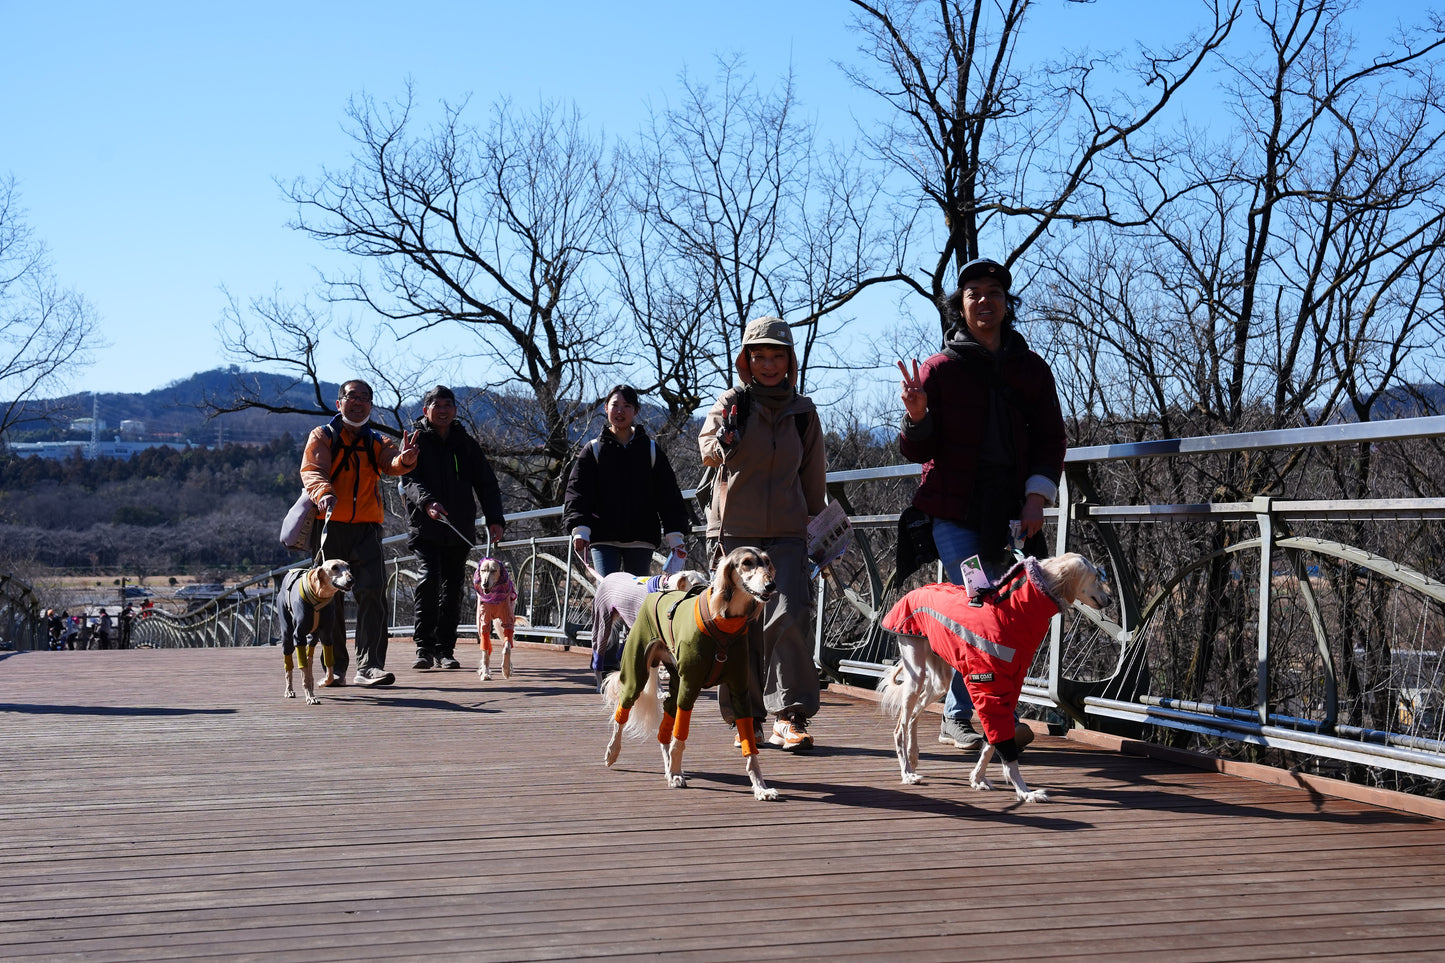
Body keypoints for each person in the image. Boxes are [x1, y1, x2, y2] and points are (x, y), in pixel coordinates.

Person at [897, 257, 1067, 750]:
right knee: (975, 604)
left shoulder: (1030, 368)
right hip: (953, 511)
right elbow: (917, 450)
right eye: (973, 293)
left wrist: (1037, 495)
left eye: (993, 292)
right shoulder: (940, 369)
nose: (984, 301)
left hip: (1012, 511)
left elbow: (1051, 438)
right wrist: (916, 417)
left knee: (1005, 610)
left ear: (1006, 302)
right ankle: (961, 715)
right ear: (960, 305)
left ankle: (989, 712)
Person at [699, 317, 827, 751]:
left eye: (777, 356)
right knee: (740, 626)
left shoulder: (804, 412)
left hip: (789, 533)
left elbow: (814, 477)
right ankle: (745, 717)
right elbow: (707, 451)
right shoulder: (733, 402)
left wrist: (822, 528)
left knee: (790, 614)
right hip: (738, 533)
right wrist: (725, 439)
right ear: (746, 360)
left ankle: (789, 716)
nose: (768, 364)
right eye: (759, 356)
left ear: (790, 361)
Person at [301, 379, 419, 686]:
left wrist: (405, 460)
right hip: (331, 525)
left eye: (365, 398)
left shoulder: (376, 440)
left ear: (370, 405)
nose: (359, 402)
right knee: (331, 599)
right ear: (339, 404)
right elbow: (312, 470)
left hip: (367, 528)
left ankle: (370, 667)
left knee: (373, 592)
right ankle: (334, 667)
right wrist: (324, 491)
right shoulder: (323, 436)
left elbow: (392, 463)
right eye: (352, 397)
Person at [400, 385, 506, 670]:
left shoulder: (466, 443)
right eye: (437, 405)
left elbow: (486, 483)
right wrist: (428, 503)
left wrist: (495, 518)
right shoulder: (415, 440)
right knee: (429, 581)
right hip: (426, 526)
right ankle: (424, 647)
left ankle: (445, 649)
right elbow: (408, 481)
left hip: (459, 527)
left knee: (454, 588)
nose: (443, 410)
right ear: (426, 410)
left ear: (455, 410)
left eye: (448, 405)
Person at [564, 384, 691, 578]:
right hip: (603, 538)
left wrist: (675, 536)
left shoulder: (650, 450)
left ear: (636, 411)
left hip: (642, 538)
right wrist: (580, 529)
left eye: (627, 406)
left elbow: (668, 495)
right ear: (606, 408)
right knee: (608, 595)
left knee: (637, 600)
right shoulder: (593, 450)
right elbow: (577, 492)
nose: (620, 411)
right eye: (615, 405)